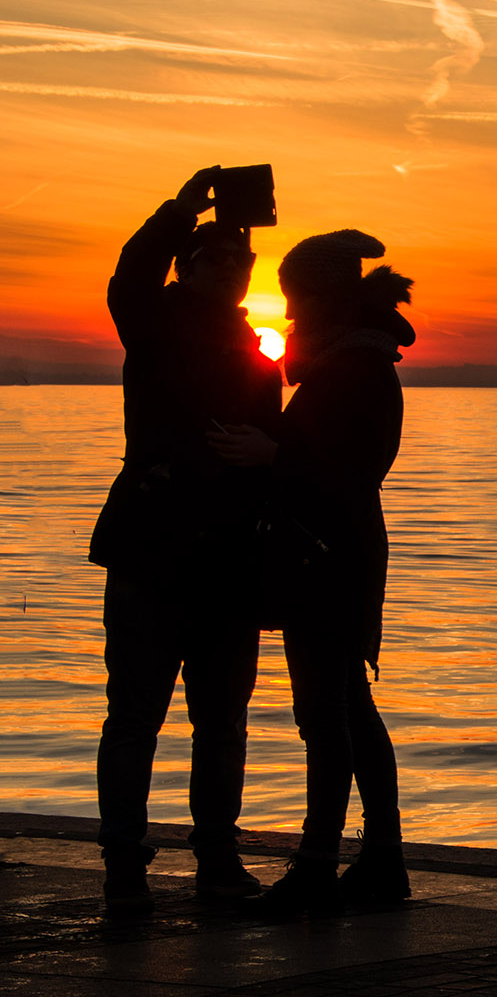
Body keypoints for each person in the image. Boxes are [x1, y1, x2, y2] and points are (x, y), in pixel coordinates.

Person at [90, 166, 284, 911]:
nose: (233, 271)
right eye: (216, 260)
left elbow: (274, 442)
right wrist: (182, 205)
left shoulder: (256, 345)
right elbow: (130, 271)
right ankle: (123, 865)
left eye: (241, 263)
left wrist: (276, 454)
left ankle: (218, 859)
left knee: (222, 718)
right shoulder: (153, 320)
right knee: (136, 711)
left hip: (232, 558)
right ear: (188, 266)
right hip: (152, 548)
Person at [210, 230, 413, 913]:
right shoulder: (355, 363)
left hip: (327, 561)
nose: (290, 315)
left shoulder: (352, 371)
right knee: (349, 708)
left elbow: (346, 473)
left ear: (325, 298)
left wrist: (273, 455)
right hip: (335, 556)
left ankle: (318, 865)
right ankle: (382, 857)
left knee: (326, 716)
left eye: (299, 299)